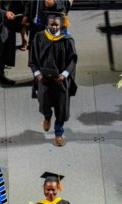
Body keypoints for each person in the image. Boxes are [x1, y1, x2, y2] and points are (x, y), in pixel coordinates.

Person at [28, 11, 77, 147]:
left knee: (61, 108)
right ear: (47, 24)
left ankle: (58, 133)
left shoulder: (66, 39)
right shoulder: (39, 37)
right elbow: (32, 60)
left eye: (57, 25)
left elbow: (73, 60)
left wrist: (65, 74)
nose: (54, 27)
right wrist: (38, 74)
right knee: (44, 104)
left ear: (61, 24)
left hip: (60, 80)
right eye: (52, 24)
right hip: (43, 79)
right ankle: (47, 117)